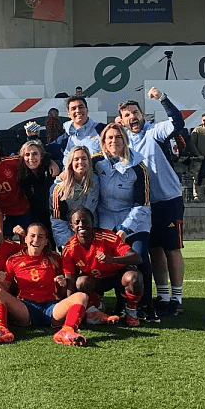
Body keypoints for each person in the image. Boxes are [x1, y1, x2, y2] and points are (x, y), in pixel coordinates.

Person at [117, 87, 186, 317]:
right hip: (145, 204)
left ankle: (176, 299)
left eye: (135, 112)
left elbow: (177, 122)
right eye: (127, 115)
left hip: (168, 198)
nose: (132, 117)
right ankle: (163, 296)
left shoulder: (154, 132)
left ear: (142, 114)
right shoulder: (124, 142)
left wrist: (162, 98)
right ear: (122, 121)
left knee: (172, 249)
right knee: (155, 250)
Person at [0, 222, 90, 346]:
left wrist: (63, 284)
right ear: (25, 238)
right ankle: (1, 329)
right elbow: (6, 290)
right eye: (32, 236)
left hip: (52, 308)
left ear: (46, 241)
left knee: (82, 296)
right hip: (26, 308)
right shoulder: (13, 260)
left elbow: (64, 292)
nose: (36, 240)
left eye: (40, 237)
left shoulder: (54, 258)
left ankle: (67, 330)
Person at [91, 123, 154, 320]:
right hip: (107, 217)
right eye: (109, 138)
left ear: (125, 140)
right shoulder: (96, 161)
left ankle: (146, 305)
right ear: (103, 142)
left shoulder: (138, 166)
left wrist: (126, 228)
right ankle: (118, 304)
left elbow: (142, 203)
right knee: (112, 260)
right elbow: (75, 167)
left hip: (135, 218)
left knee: (139, 256)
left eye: (118, 137)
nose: (114, 141)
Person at [62, 207, 143, 327]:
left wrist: (112, 259)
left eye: (85, 221)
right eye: (77, 222)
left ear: (92, 223)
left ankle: (131, 311)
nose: (81, 225)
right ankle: (96, 307)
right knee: (81, 282)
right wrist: (71, 310)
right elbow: (70, 280)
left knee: (133, 278)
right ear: (72, 226)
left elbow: (137, 258)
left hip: (117, 276)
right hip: (96, 281)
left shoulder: (106, 236)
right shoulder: (69, 248)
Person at [50, 146, 100, 248]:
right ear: (70, 163)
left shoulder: (95, 180)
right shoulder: (59, 189)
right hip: (71, 234)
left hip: (92, 233)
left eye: (84, 158)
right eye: (76, 159)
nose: (80, 162)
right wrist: (67, 244)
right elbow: (58, 221)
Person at [15, 140, 59, 244]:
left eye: (35, 154)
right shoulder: (21, 175)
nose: (31, 158)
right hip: (32, 218)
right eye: (27, 155)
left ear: (41, 156)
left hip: (53, 216)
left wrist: (51, 161)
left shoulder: (51, 171)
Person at [47, 95, 105, 165]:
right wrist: (52, 163)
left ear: (87, 110)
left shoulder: (101, 129)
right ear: (68, 114)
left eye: (81, 107)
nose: (78, 111)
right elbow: (46, 151)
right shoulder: (65, 135)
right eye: (73, 108)